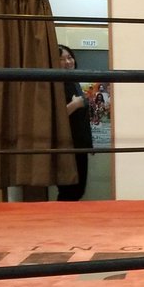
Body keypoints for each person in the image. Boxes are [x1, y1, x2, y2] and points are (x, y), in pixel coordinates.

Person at [56, 44, 93, 201]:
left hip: (79, 145)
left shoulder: (73, 81)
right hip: (67, 145)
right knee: (69, 191)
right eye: (62, 59)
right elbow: (53, 117)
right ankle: (59, 216)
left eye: (70, 57)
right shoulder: (56, 84)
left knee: (78, 190)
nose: (68, 62)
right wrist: (75, 104)